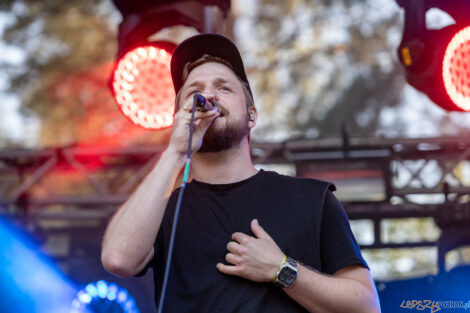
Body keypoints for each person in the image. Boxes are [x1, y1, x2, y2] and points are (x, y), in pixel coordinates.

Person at [101, 33, 381, 313]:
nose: (207, 96)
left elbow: (366, 306)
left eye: (223, 88)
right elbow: (118, 259)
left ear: (251, 115)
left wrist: (281, 269)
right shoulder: (162, 210)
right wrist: (175, 152)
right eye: (193, 91)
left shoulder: (312, 198)